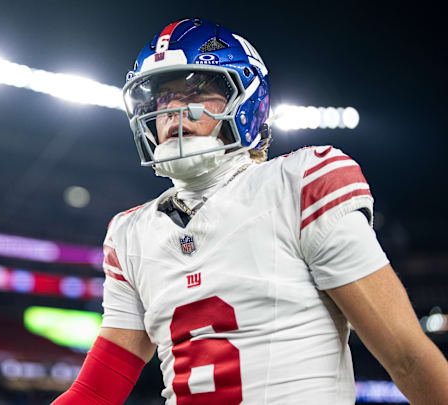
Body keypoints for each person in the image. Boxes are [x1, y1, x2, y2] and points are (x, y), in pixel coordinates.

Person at [52, 18, 448, 405]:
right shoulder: (130, 235)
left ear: (246, 101)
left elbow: (407, 358)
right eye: (161, 98)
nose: (171, 110)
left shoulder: (301, 184)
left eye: (194, 91)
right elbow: (96, 392)